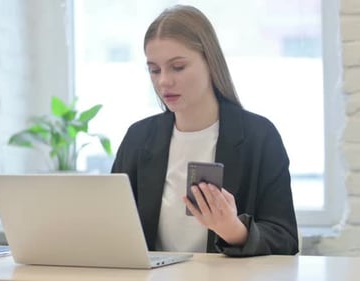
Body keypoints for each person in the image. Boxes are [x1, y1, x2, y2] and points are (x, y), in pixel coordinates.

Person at [111, 4, 299, 257]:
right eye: (154, 70)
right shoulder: (138, 138)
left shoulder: (259, 136)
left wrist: (234, 230)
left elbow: (285, 240)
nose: (163, 81)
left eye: (177, 67)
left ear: (210, 62)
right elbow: (113, 229)